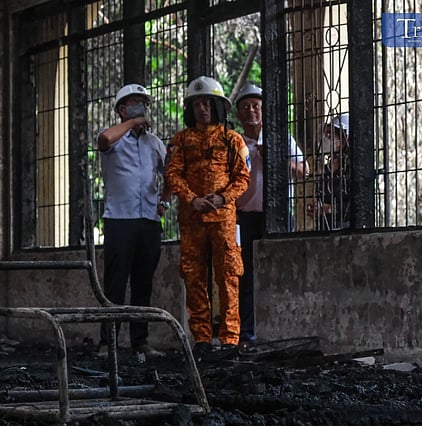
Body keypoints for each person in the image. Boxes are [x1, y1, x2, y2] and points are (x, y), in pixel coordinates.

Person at [166, 76, 250, 359]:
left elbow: (243, 177)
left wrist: (222, 198)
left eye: (207, 103)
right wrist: (192, 199)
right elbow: (173, 174)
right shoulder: (181, 140)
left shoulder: (232, 139)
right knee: (194, 277)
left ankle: (229, 339)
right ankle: (201, 338)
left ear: (218, 106)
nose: (202, 109)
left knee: (228, 277)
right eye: (197, 104)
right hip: (192, 220)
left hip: (223, 220)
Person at [96, 83, 171, 358]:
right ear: (122, 109)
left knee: (143, 282)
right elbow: (104, 140)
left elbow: (171, 173)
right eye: (135, 102)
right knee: (115, 283)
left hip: (148, 220)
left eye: (144, 103)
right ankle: (108, 342)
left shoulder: (154, 143)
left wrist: (164, 201)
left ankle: (140, 341)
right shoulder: (113, 137)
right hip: (120, 219)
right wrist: (131, 123)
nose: (142, 107)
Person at [234, 83, 307, 349]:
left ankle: (285, 330)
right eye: (245, 107)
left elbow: (304, 171)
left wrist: (276, 159)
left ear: (264, 110)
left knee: (283, 271)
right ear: (239, 114)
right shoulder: (235, 143)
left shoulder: (280, 138)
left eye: (256, 106)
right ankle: (246, 334)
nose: (251, 111)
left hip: (278, 216)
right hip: (244, 217)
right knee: (244, 276)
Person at [307, 113, 350, 230]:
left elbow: (354, 207)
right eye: (325, 134)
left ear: (343, 140)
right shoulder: (326, 169)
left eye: (330, 135)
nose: (325, 138)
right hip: (324, 229)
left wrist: (327, 209)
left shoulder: (350, 169)